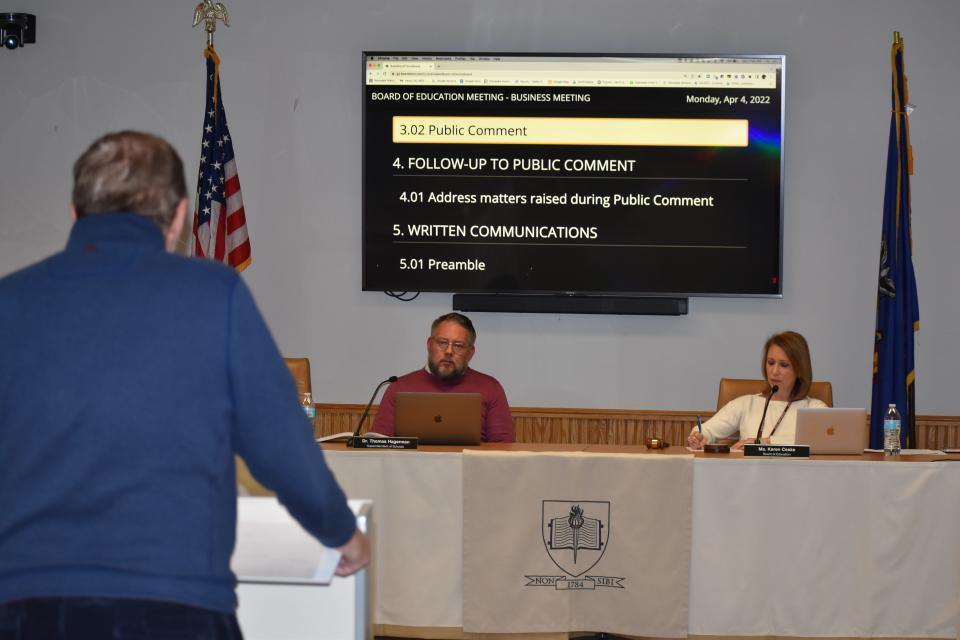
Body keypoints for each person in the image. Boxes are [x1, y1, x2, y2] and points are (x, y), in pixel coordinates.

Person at [0, 131, 369, 638]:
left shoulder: (9, 302)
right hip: (174, 603)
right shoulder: (215, 295)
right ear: (177, 218)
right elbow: (280, 447)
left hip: (24, 604)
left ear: (73, 212)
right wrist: (342, 532)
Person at [371, 312, 514, 442]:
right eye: (442, 343)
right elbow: (379, 445)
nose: (449, 351)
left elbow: (504, 449)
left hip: (470, 469)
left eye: (458, 345)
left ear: (470, 352)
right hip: (412, 469)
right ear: (429, 345)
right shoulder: (400, 387)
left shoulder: (490, 387)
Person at [687, 331, 828, 450]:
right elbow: (706, 430)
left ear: (799, 369)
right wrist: (698, 437)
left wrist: (766, 442)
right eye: (770, 363)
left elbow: (824, 439)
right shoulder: (746, 404)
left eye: (784, 365)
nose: (774, 371)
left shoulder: (815, 408)